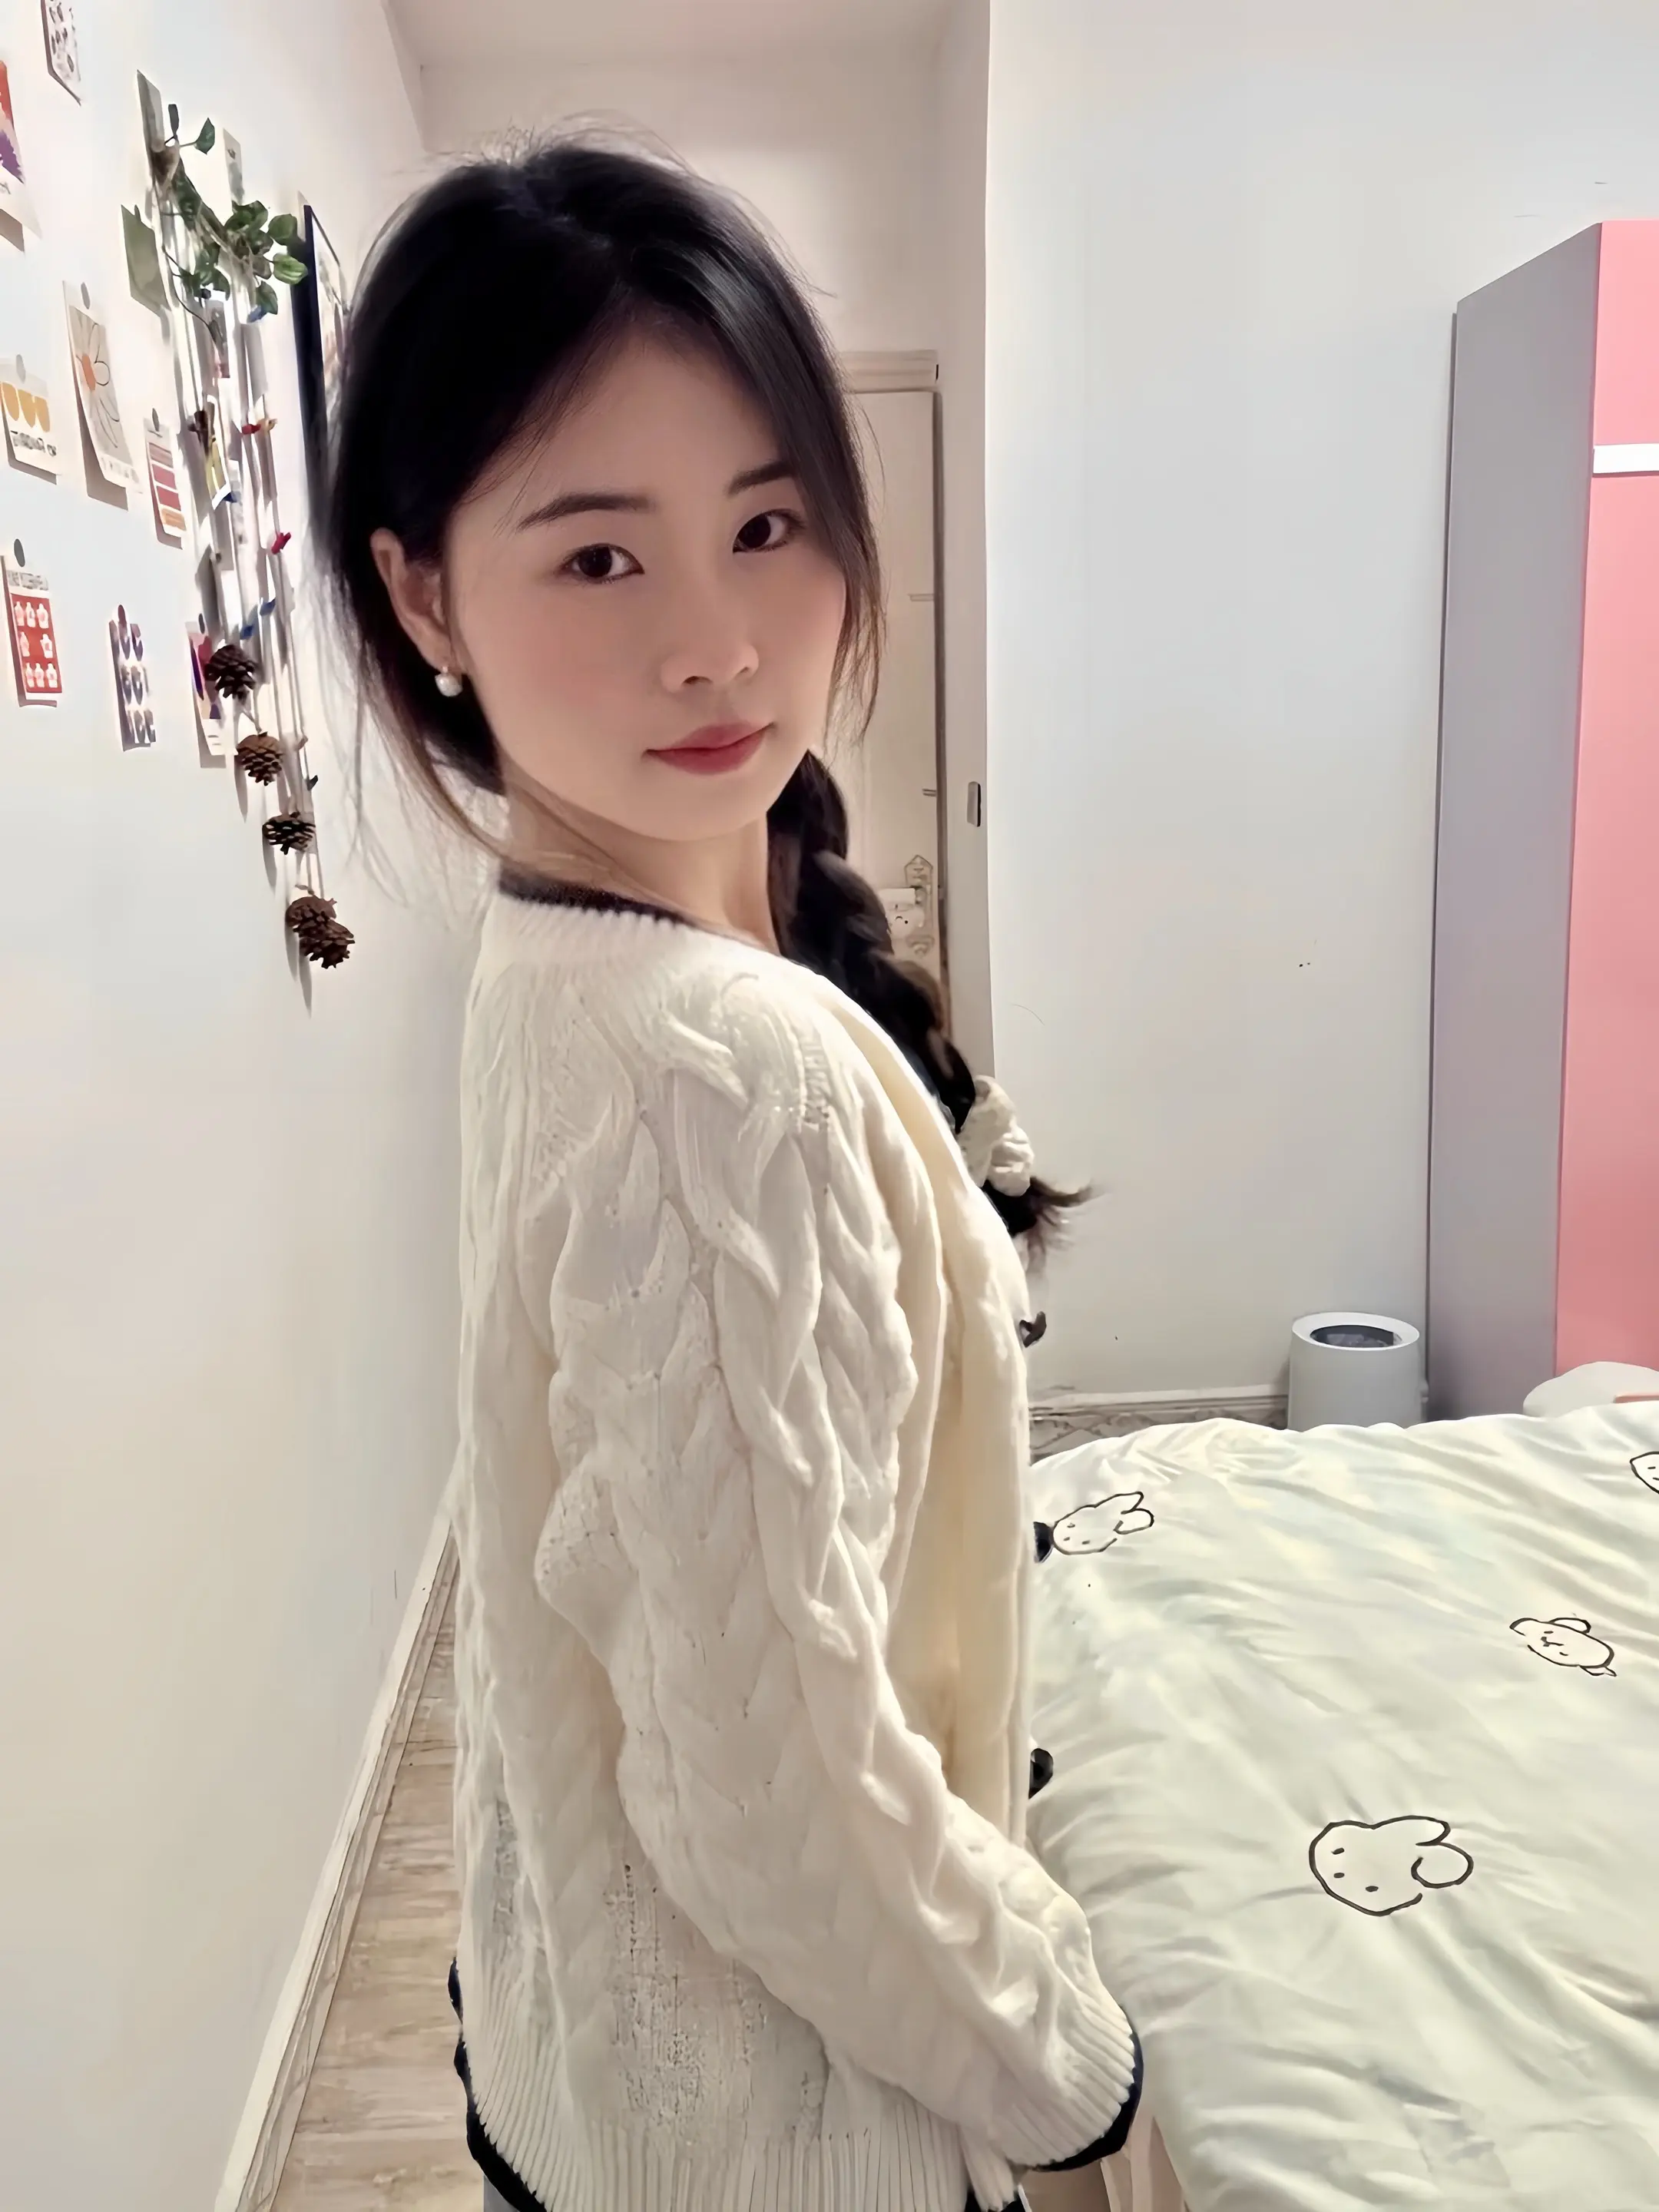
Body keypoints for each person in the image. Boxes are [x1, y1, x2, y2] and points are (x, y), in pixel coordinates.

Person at [323, 136, 1140, 2212]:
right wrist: (1078, 2072)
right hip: (786, 2135)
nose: (719, 646)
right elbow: (779, 1808)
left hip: (589, 2057)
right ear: (424, 594)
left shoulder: (554, 962)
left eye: (766, 525)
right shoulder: (721, 1075)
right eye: (599, 558)